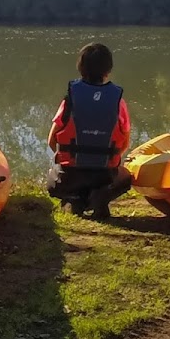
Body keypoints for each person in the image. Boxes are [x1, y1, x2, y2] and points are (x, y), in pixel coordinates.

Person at [46, 42, 133, 220]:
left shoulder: (70, 99)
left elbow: (52, 140)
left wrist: (64, 158)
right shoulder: (118, 102)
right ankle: (99, 196)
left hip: (70, 177)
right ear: (108, 70)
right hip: (104, 176)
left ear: (80, 68)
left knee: (53, 178)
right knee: (126, 176)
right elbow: (124, 143)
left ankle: (75, 199)